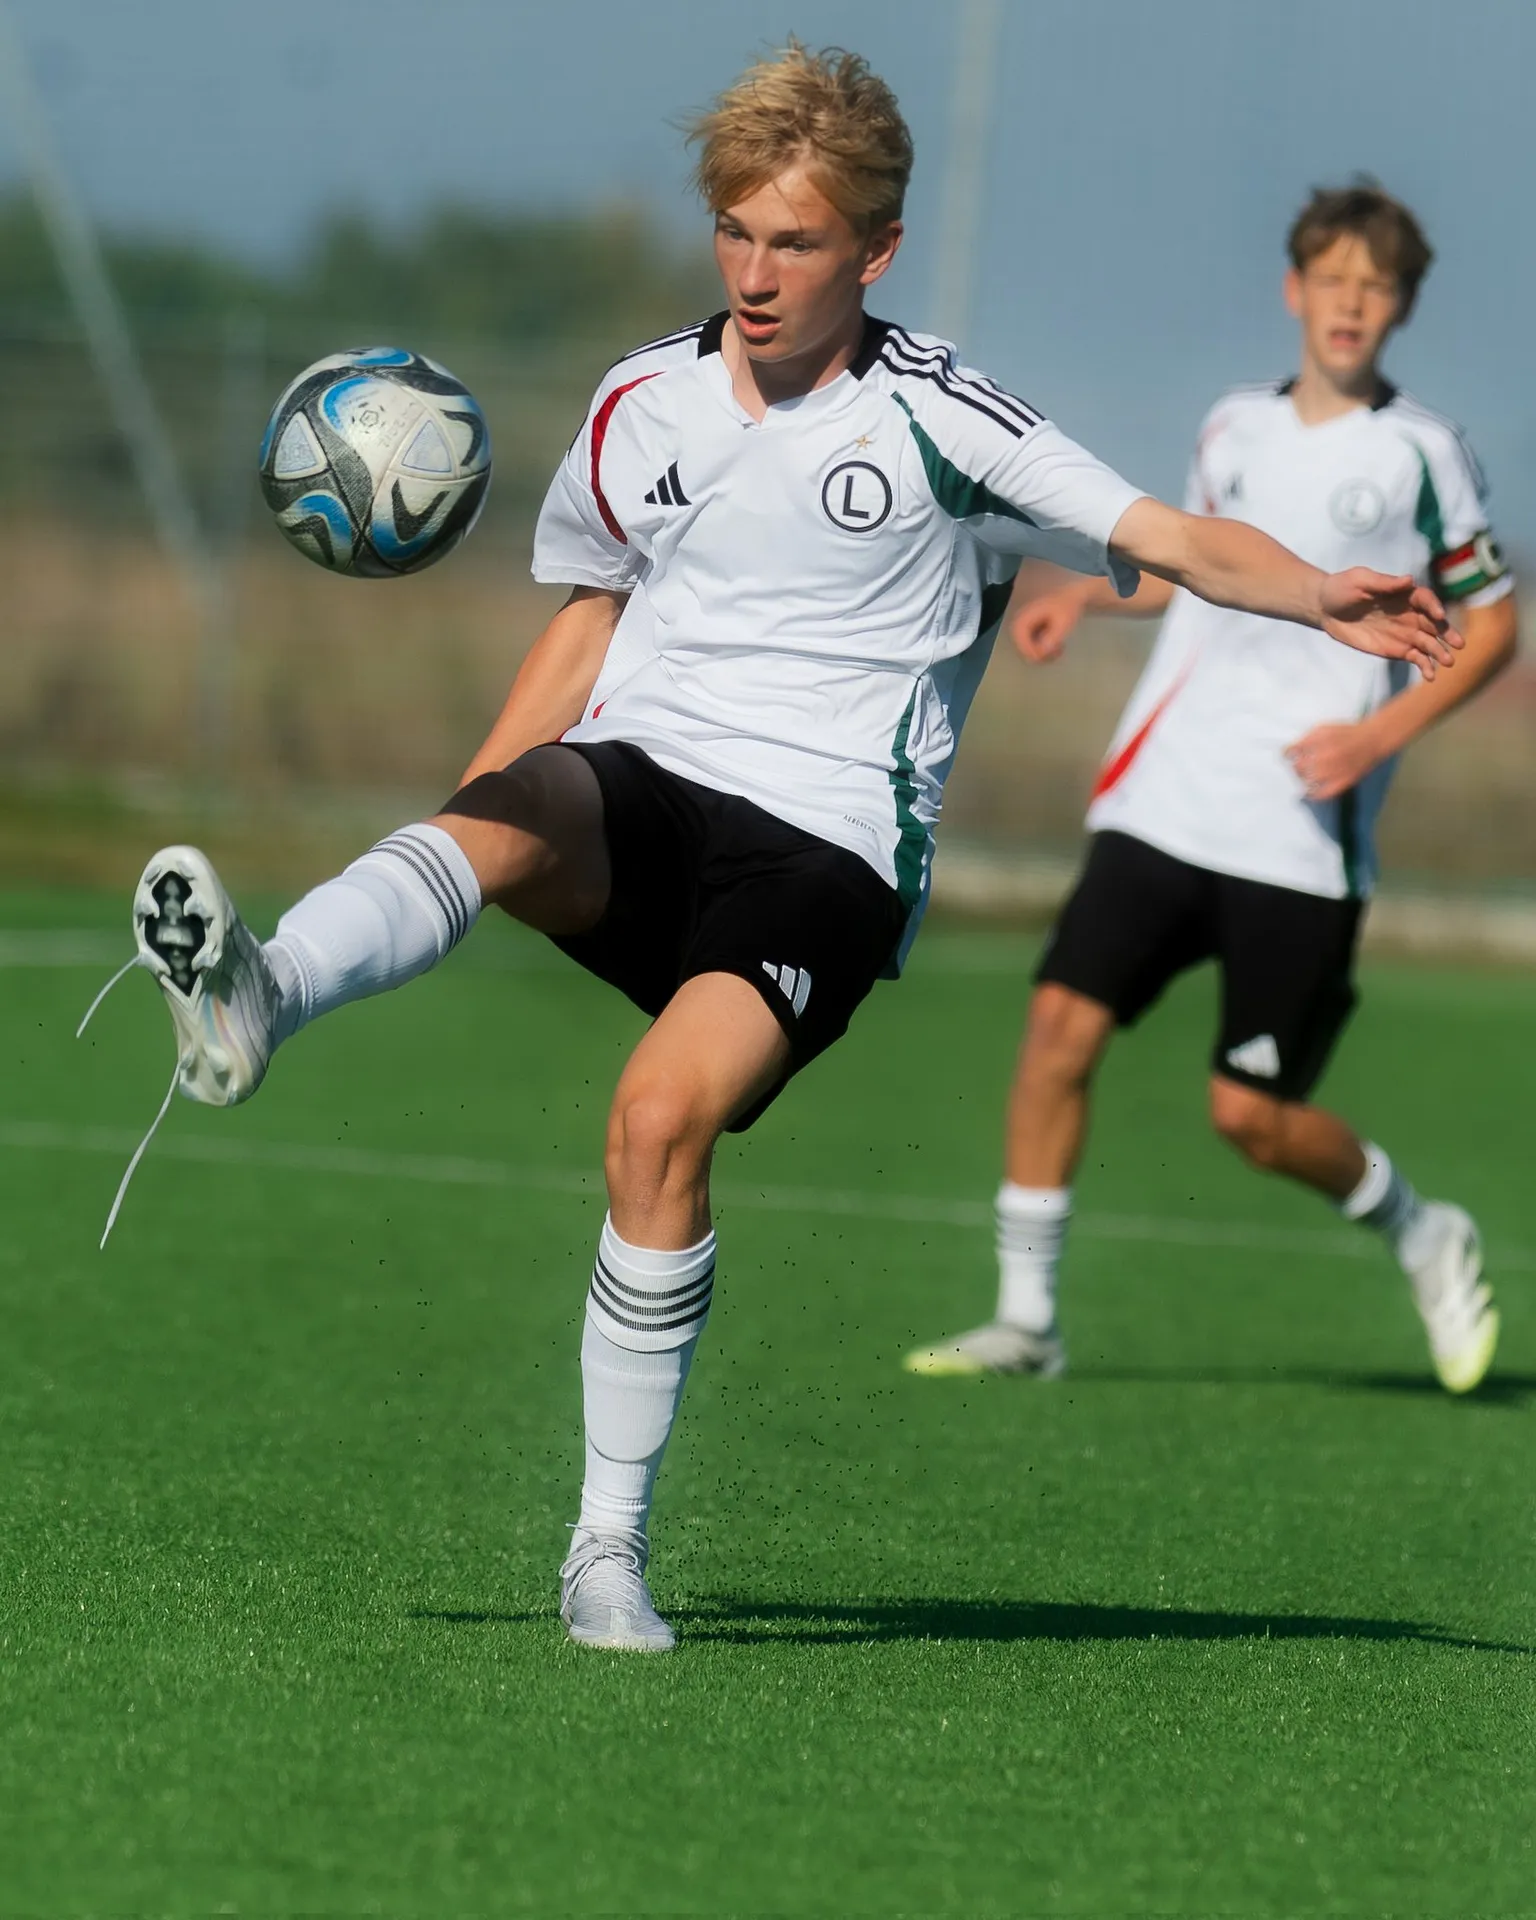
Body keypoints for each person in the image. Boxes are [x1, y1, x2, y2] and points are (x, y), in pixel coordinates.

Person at [113, 62, 1457, 1653]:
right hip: (649, 781)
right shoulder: (638, 406)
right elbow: (592, 614)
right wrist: (479, 815)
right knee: (500, 807)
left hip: (826, 851)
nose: (755, 276)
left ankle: (603, 1550)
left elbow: (1171, 537)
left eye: (796, 244)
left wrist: (1317, 590)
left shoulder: (947, 419)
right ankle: (263, 995)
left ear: (872, 253)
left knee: (658, 1123)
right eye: (736, 235)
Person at [906, 182, 1514, 1396]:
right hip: (1167, 793)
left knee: (1252, 1116)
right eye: (1332, 279)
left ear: (1400, 307)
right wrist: (1086, 594)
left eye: (1376, 285)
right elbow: (1211, 565)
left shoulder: (1422, 455)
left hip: (1299, 829)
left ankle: (1419, 1229)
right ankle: (1027, 1321)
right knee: (1056, 1033)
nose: (1351, 303)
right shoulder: (1233, 425)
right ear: (1295, 290)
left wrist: (1376, 737)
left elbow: (1495, 627)